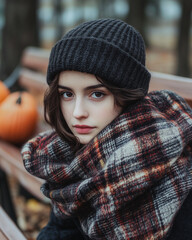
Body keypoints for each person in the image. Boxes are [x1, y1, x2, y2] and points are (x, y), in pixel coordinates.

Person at [21, 18, 192, 240]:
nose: (77, 112)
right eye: (67, 94)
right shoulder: (71, 156)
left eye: (97, 94)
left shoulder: (172, 161)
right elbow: (61, 229)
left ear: (128, 96)